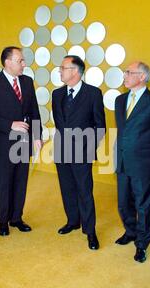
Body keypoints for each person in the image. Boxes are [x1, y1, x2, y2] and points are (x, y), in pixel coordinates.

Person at [0, 46, 42, 236]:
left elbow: (34, 111)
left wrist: (37, 136)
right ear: (7, 62)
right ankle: (3, 221)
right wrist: (10, 125)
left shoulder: (28, 81)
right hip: (4, 141)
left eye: (23, 60)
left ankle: (16, 218)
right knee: (5, 182)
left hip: (24, 141)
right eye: (20, 61)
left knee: (21, 181)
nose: (24, 64)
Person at [114, 61, 150, 262]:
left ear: (142, 77)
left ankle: (142, 244)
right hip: (122, 160)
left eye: (129, 72)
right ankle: (131, 231)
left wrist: (147, 153)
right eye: (125, 72)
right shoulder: (119, 101)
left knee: (144, 205)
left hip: (144, 163)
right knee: (123, 203)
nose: (125, 75)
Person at [52, 55, 106, 250]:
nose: (60, 71)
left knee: (84, 191)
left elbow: (100, 126)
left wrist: (87, 149)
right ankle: (72, 221)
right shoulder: (56, 94)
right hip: (61, 150)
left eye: (63, 68)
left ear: (75, 71)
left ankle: (90, 231)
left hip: (82, 151)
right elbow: (60, 124)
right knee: (67, 188)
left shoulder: (93, 93)